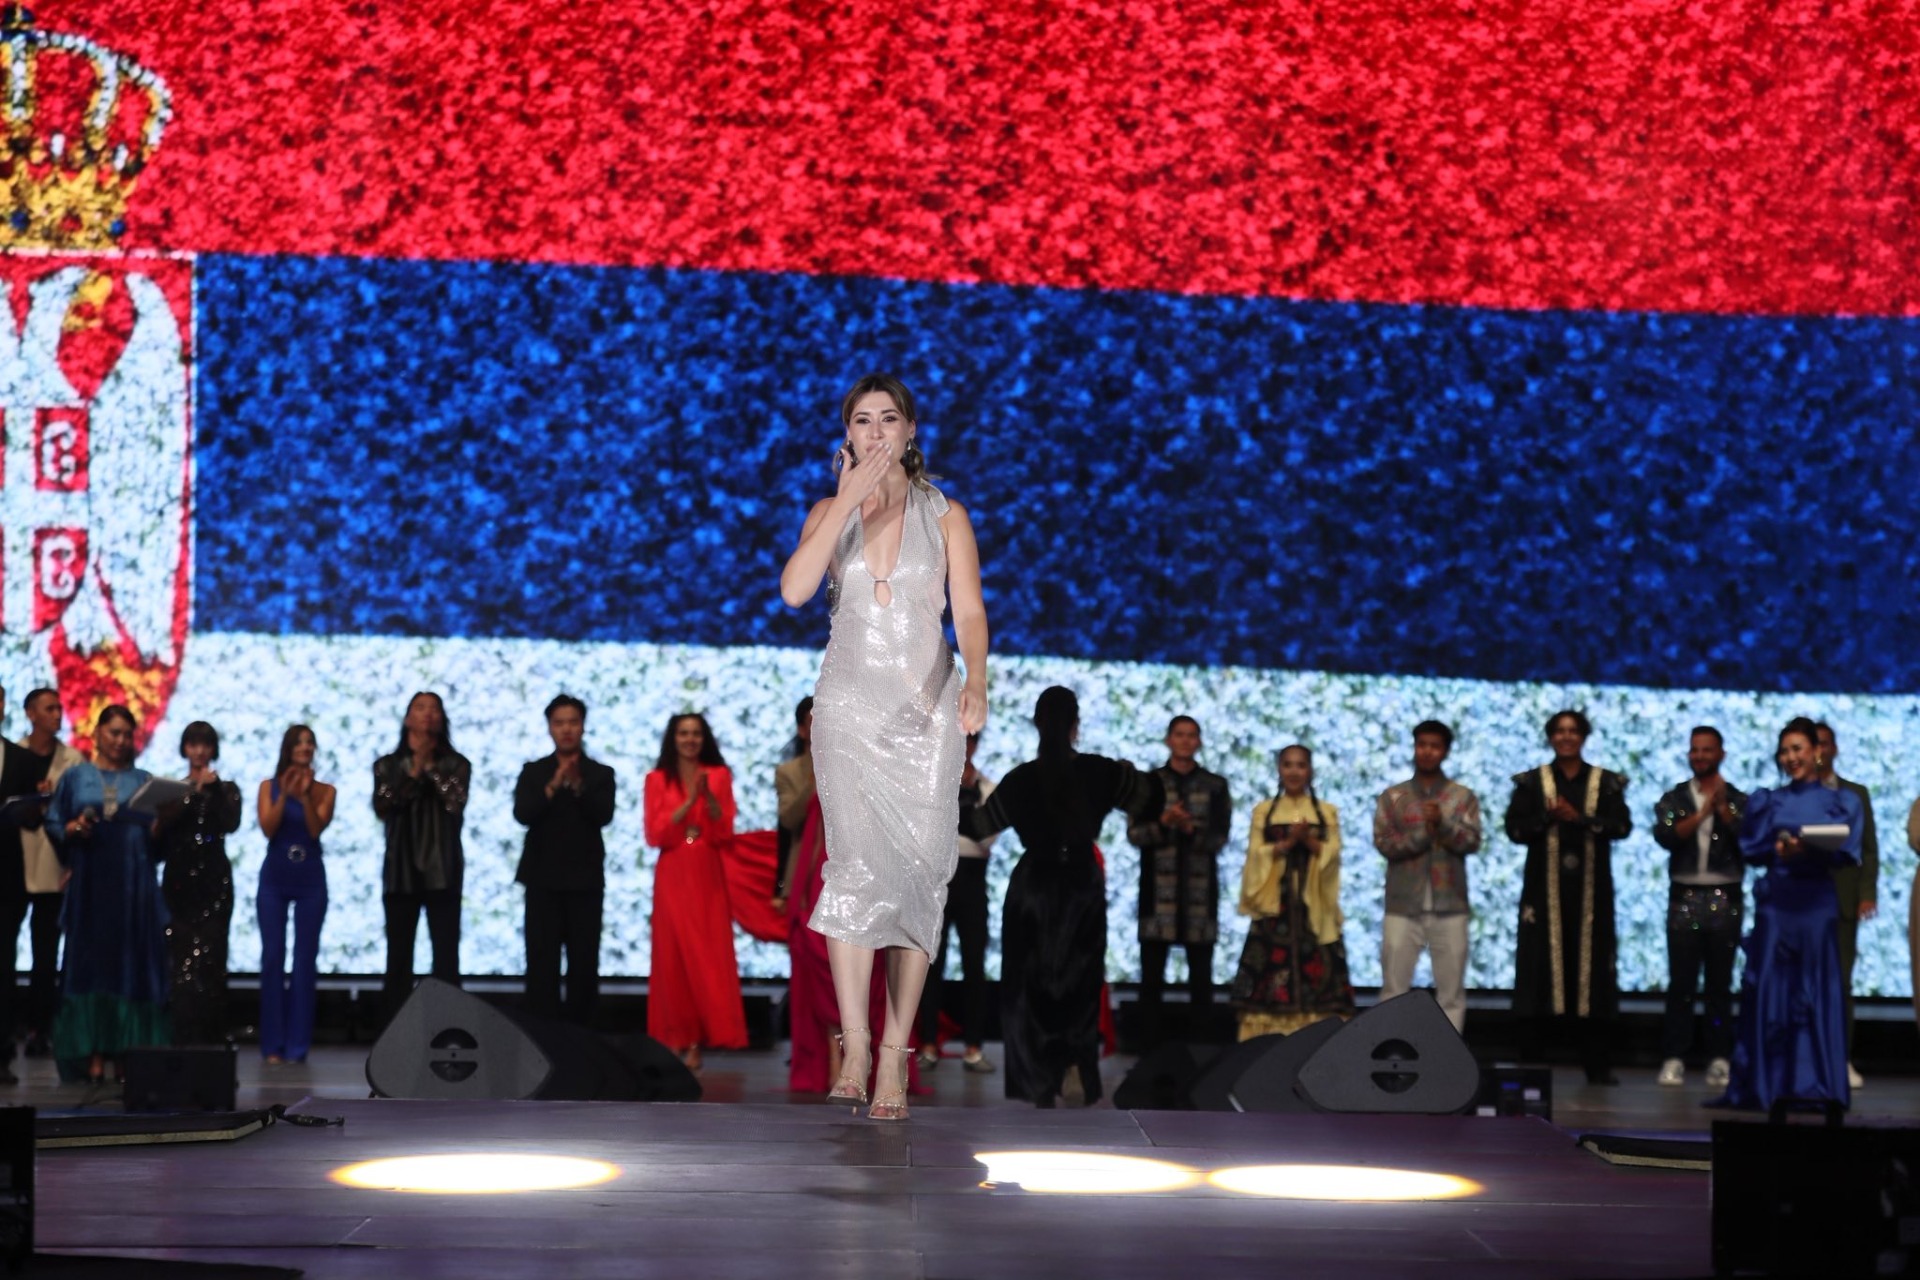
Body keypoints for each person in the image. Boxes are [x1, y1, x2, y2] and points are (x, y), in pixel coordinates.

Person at [779, 373, 989, 1121]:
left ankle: (897, 1051)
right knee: (853, 869)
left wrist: (977, 679)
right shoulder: (827, 511)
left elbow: (968, 609)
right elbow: (795, 591)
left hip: (925, 713)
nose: (875, 432)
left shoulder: (946, 514)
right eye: (862, 420)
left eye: (887, 419)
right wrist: (844, 502)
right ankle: (857, 1043)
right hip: (847, 710)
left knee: (920, 878)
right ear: (847, 433)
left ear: (910, 430)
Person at [960, 687, 1160, 1107]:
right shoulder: (1102, 771)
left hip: (1032, 886)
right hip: (1081, 885)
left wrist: (957, 792)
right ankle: (1073, 1065)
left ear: (1037, 723)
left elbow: (978, 827)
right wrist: (1130, 773)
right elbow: (1150, 801)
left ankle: (1037, 1080)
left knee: (1028, 984)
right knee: (1080, 981)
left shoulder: (1020, 780)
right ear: (1075, 725)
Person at [1716, 717, 1858, 1111]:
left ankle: (1817, 1084)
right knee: (1771, 988)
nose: (1791, 757)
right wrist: (1779, 850)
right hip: (1778, 903)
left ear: (1817, 751)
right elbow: (1752, 848)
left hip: (1816, 903)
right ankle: (1767, 1085)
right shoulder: (1769, 800)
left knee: (1815, 989)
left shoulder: (1841, 801)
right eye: (1785, 751)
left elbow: (1848, 851)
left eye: (1798, 749)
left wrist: (1807, 849)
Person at [44, 705, 170, 1083]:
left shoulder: (144, 781)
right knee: (92, 965)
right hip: (92, 883)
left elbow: (157, 845)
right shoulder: (76, 777)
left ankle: (128, 1055)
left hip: (134, 887)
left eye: (127, 734)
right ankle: (94, 1053)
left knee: (131, 965)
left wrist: (161, 827)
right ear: (97, 734)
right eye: (114, 732)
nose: (120, 740)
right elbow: (55, 822)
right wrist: (73, 828)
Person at [1505, 709, 1631, 1084]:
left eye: (1573, 731)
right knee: (1538, 970)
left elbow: (1622, 826)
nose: (1566, 737)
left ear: (1583, 736)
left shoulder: (1605, 783)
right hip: (1543, 898)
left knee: (1593, 973)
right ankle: (1532, 1064)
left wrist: (1579, 818)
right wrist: (1548, 818)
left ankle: (1597, 1065)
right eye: (1559, 731)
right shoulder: (1531, 783)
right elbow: (1514, 829)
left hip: (1591, 898)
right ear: (1550, 737)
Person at [642, 713, 747, 1069]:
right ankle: (673, 1038)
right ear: (673, 739)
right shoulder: (657, 779)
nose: (690, 739)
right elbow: (655, 833)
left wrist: (710, 799)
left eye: (696, 733)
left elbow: (724, 830)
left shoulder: (718, 776)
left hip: (706, 871)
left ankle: (697, 1042)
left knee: (705, 956)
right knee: (671, 956)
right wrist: (689, 803)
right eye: (683, 733)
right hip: (673, 871)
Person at [1232, 744, 1355, 1040]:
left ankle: (1320, 1040)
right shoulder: (1264, 811)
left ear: (1310, 770)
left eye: (1301, 765)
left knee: (1321, 969)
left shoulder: (1327, 811)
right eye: (1288, 765)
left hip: (1314, 907)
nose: (1294, 772)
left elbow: (1333, 854)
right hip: (1276, 906)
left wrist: (1308, 841)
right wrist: (1286, 844)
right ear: (1279, 769)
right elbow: (1255, 856)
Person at [1371, 720, 1482, 1034]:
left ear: (1445, 751)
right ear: (1414, 747)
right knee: (1393, 989)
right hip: (1402, 904)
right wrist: (1423, 833)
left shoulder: (1462, 797)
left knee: (1451, 993)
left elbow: (1471, 841)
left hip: (1450, 905)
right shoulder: (1394, 797)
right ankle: (1388, 1052)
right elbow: (1385, 844)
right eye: (1422, 744)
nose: (1427, 751)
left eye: (1435, 746)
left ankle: (1450, 1058)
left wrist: (1443, 825)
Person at [1127, 715, 1231, 1048]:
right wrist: (1164, 822)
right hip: (1158, 897)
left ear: (1198, 742)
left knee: (1201, 980)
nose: (1185, 741)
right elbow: (1135, 834)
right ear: (1168, 740)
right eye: (1179, 734)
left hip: (1200, 897)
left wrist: (1190, 829)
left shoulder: (1215, 785)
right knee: (1151, 979)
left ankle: (1203, 1053)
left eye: (1191, 735)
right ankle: (1147, 1052)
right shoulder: (1147, 784)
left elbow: (1220, 838)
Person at [1650, 726, 1746, 1089]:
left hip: (1726, 896)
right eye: (1695, 750)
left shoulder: (1738, 799)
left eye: (1707, 750)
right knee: (1682, 983)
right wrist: (1704, 812)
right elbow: (1667, 835)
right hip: (1684, 897)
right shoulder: (1675, 797)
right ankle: (1674, 1055)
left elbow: (1751, 840)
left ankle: (1719, 1057)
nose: (1700, 756)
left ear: (1721, 754)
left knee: (1720, 985)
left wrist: (1724, 811)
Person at [513, 694, 617, 1026]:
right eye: (559, 723)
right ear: (550, 728)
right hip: (542, 880)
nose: (567, 729)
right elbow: (523, 813)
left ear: (583, 726)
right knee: (541, 963)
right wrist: (553, 785)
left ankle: (582, 1037)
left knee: (584, 963)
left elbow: (603, 815)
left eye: (573, 722)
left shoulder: (600, 773)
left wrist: (578, 786)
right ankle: (541, 1035)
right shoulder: (534, 771)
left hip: (585, 881)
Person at [373, 692, 470, 1020]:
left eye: (434, 708)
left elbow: (455, 804)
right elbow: (384, 806)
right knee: (398, 959)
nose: (428, 714)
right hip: (400, 871)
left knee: (446, 958)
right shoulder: (387, 766)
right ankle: (395, 1031)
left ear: (442, 718)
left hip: (443, 871)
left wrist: (432, 770)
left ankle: (449, 1028)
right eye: (420, 708)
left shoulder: (457, 764)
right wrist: (414, 771)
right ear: (407, 718)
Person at [918, 731, 998, 1073]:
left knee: (974, 963)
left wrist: (957, 822)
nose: (964, 747)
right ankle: (928, 1043)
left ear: (976, 745)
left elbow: (986, 838)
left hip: (972, 878)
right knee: (930, 962)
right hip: (938, 877)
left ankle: (973, 1046)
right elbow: (928, 833)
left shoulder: (988, 788)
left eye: (970, 741)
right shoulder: (933, 783)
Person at [158, 721, 242, 1045]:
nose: (199, 751)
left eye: (205, 745)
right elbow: (162, 831)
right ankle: (181, 1036)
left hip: (214, 882)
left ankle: (212, 1038)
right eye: (193, 744)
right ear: (185, 748)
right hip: (179, 882)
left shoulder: (227, 790)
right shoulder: (173, 790)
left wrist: (214, 789)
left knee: (212, 958)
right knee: (178, 961)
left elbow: (231, 822)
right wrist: (190, 793)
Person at [256, 725, 336, 1065]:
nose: (305, 747)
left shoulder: (325, 790)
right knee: (272, 957)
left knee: (304, 961)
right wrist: (285, 795)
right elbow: (268, 828)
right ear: (287, 749)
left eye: (309, 742)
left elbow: (316, 829)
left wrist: (303, 797)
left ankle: (297, 1046)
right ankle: (272, 1045)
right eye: (299, 742)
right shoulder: (268, 786)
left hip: (310, 880)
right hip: (275, 878)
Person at [14, 688, 82, 1060]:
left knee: (45, 954)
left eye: (59, 708)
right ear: (30, 713)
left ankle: (41, 1028)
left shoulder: (72, 760)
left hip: (54, 866)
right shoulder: (14, 755)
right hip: (14, 863)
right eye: (49, 708)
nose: (57, 714)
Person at [1813, 722, 1875, 1090]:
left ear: (1834, 748)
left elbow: (1869, 848)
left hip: (1843, 901)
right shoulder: (1797, 794)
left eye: (1824, 743)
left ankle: (1840, 1058)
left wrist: (1867, 892)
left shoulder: (1856, 794)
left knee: (1840, 984)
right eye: (1813, 744)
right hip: (1804, 901)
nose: (1819, 751)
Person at [0, 684, 55, 1082]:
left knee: (4, 966)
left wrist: (36, 807)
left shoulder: (19, 758)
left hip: (6, 879)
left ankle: (1, 1055)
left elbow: (32, 821)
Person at [772, 696, 815, 912]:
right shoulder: (788, 772)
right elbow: (788, 819)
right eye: (815, 721)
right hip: (805, 871)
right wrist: (814, 781)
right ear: (802, 730)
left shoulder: (854, 770)